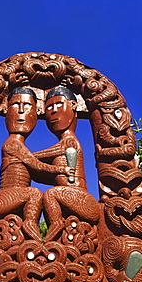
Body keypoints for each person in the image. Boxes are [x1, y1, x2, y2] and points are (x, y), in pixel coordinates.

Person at [0, 87, 74, 242]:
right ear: (6, 109)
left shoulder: (22, 149)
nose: (20, 111)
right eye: (15, 105)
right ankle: (31, 229)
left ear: (36, 111)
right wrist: (62, 169)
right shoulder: (12, 144)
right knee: (34, 193)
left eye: (26, 106)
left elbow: (36, 169)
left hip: (11, 199)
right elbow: (36, 165)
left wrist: (57, 175)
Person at [33, 86, 100, 241]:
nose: (54, 111)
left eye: (59, 105)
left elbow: (36, 158)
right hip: (70, 199)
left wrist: (20, 155)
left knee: (51, 193)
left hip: (82, 200)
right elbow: (46, 172)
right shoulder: (64, 143)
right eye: (49, 107)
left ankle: (55, 226)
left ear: (74, 106)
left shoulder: (69, 141)